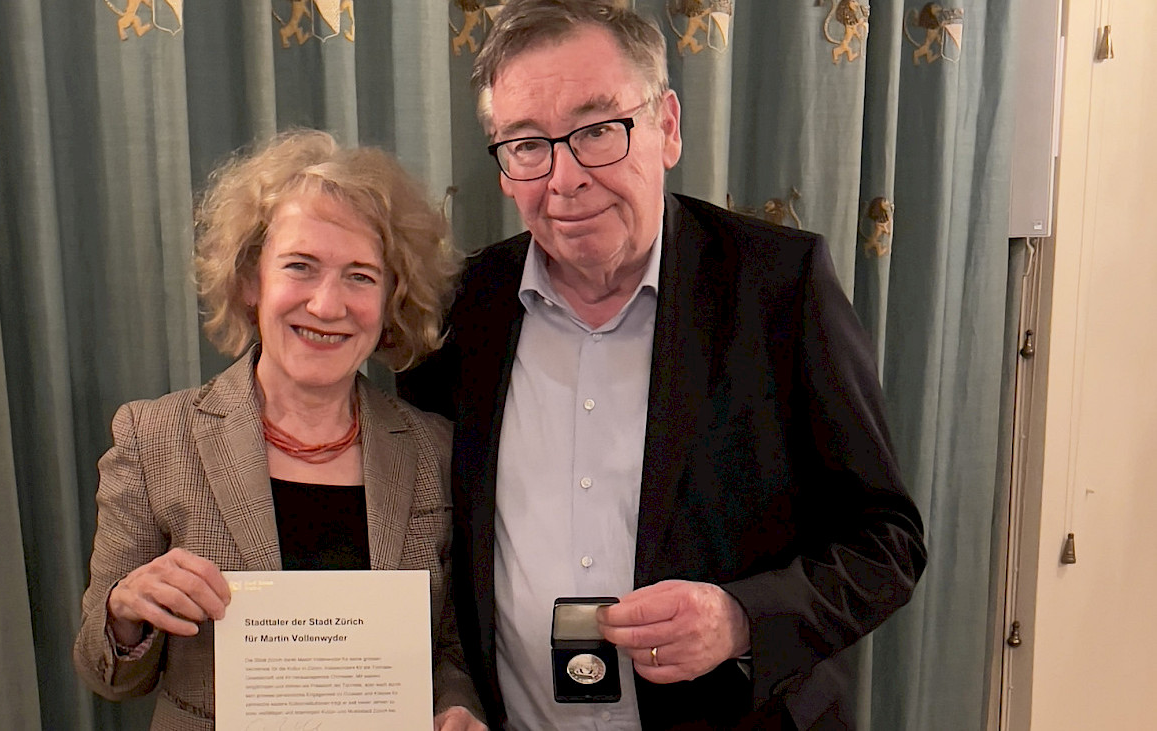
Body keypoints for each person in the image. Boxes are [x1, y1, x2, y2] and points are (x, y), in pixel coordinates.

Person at [397, 2, 927, 729]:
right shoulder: (461, 311)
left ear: (667, 126)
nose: (565, 178)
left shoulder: (778, 287)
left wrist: (740, 617)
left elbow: (886, 540)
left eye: (597, 130)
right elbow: (422, 545)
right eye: (527, 144)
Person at [73, 130, 487, 730]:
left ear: (392, 298)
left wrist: (457, 706)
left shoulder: (433, 449)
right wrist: (124, 611)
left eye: (361, 276)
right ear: (251, 280)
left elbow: (447, 647)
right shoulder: (155, 437)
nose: (326, 305)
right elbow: (107, 676)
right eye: (300, 267)